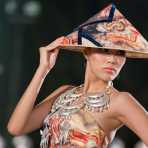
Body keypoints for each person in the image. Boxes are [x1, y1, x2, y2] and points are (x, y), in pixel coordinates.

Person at [7, 3, 148, 148]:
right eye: (105, 50)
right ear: (86, 51)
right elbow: (16, 128)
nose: (112, 60)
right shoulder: (63, 93)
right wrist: (43, 70)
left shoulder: (120, 101)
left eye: (120, 53)